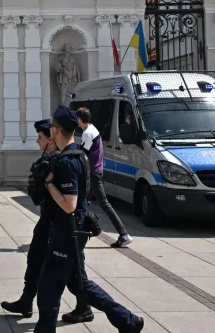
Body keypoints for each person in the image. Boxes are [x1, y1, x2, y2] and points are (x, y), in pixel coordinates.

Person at [33, 105, 144, 333]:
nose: (50, 129)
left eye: (51, 126)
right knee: (79, 284)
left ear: (56, 130)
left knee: (48, 289)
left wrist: (49, 184)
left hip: (67, 232)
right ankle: (128, 321)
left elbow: (69, 204)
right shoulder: (78, 155)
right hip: (76, 230)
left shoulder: (68, 161)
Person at [1, 119, 60, 318]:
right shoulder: (49, 158)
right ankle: (26, 301)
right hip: (47, 219)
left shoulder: (60, 160)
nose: (36, 141)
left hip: (56, 222)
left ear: (50, 139)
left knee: (73, 272)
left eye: (40, 137)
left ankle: (113, 313)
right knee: (36, 258)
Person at [77, 107, 132, 250]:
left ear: (79, 120)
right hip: (97, 171)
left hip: (93, 173)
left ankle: (123, 234)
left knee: (103, 203)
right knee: (82, 201)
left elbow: (83, 154)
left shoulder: (87, 133)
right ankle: (79, 230)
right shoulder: (92, 129)